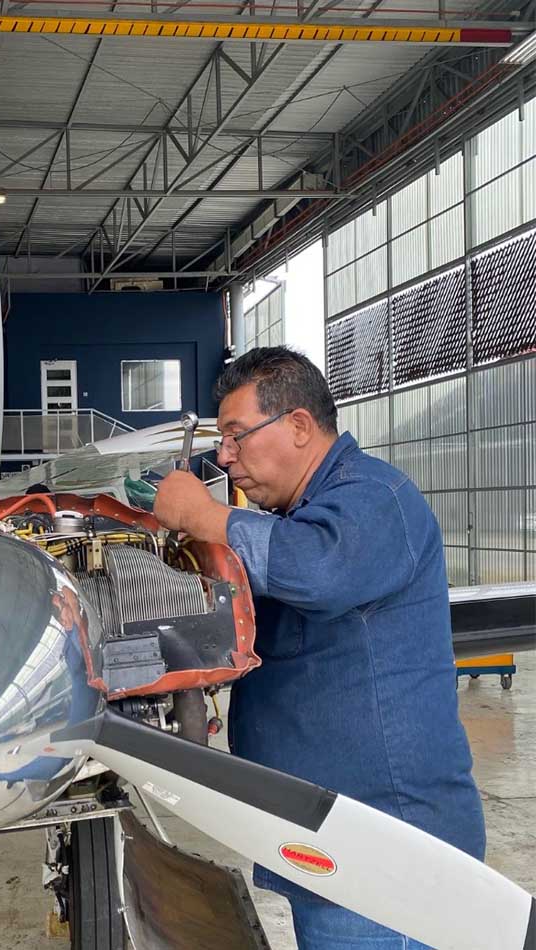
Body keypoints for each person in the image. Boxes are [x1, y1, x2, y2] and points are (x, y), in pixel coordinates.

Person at [153, 346, 484, 950]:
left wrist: (205, 516)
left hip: (386, 861)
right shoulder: (298, 516)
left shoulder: (375, 499)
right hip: (330, 850)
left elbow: (318, 570)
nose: (225, 456)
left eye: (235, 436)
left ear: (299, 426)